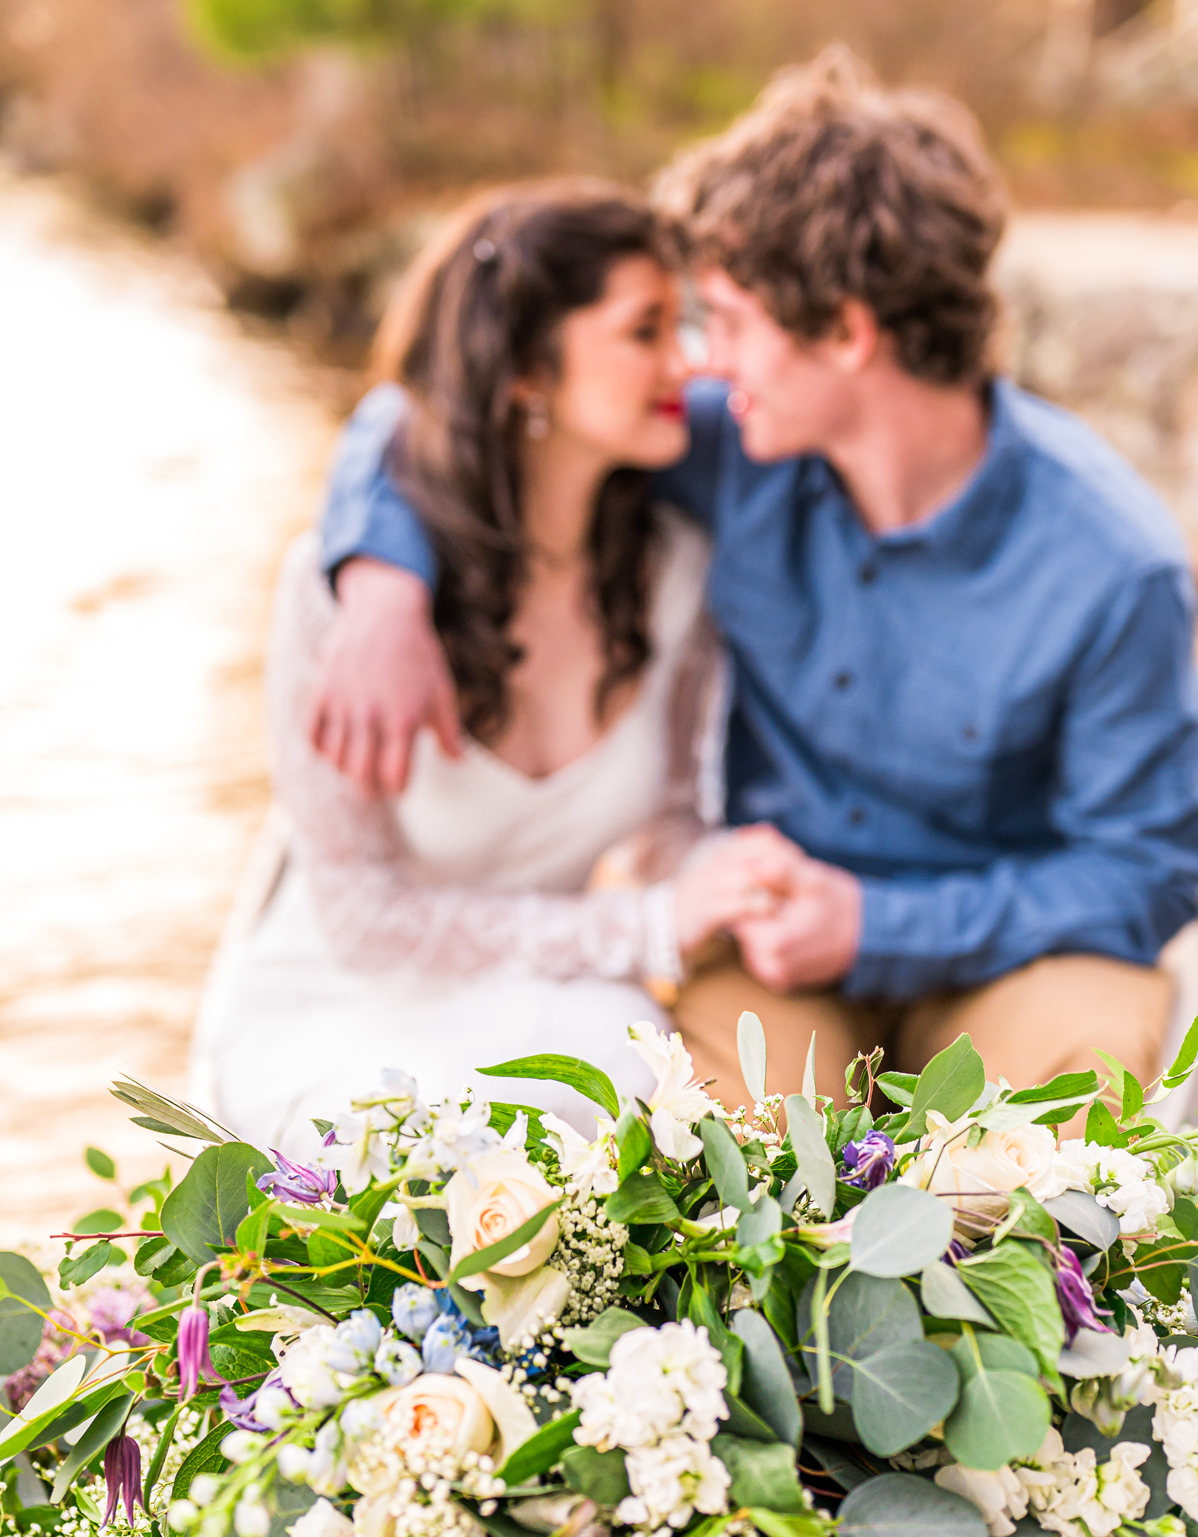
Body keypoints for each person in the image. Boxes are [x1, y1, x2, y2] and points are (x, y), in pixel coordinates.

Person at [311, 49, 1198, 1116]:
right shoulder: (735, 441)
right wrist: (380, 583)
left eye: (725, 321)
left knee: (1040, 1154)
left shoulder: (1113, 567)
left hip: (1015, 961)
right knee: (740, 1170)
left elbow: (1143, 873)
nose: (700, 361)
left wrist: (877, 926)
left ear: (844, 332)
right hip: (774, 951)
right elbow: (448, 407)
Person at [205, 181, 798, 1151]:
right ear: (526, 369)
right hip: (346, 998)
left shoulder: (679, 574)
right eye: (644, 330)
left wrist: (731, 874)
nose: (684, 363)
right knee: (414, 1136)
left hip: (552, 1004)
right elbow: (362, 915)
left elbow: (668, 823)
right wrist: (642, 931)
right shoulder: (343, 599)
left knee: (642, 1105)